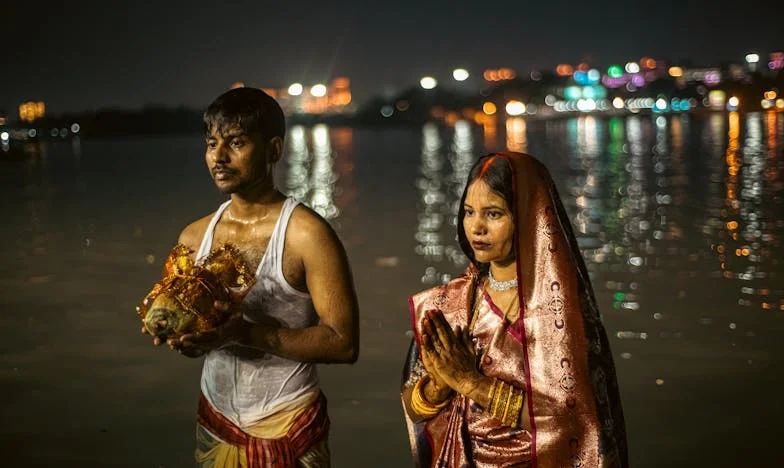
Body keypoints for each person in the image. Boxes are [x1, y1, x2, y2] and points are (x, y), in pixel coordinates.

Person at [144, 87, 360, 467]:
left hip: (289, 423)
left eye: (237, 143)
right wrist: (184, 336)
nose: (219, 157)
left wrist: (240, 333)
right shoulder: (194, 237)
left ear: (273, 150)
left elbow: (343, 344)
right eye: (212, 144)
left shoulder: (306, 236)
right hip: (215, 419)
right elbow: (189, 325)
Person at [400, 152, 628, 467]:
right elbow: (413, 407)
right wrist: (440, 384)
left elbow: (571, 420)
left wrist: (470, 383)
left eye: (493, 214)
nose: (476, 227)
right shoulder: (452, 303)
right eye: (469, 212)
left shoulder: (560, 315)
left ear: (528, 218)